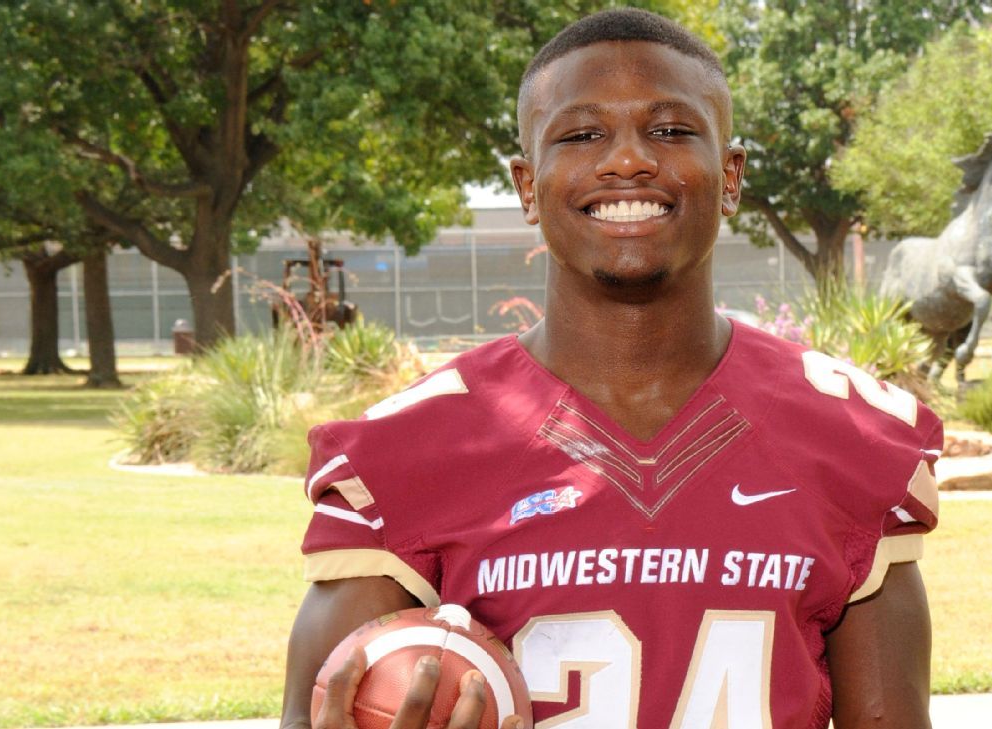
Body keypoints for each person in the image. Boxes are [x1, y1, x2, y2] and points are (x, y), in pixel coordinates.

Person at [281, 8, 940, 729]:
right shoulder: (405, 453)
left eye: (671, 130)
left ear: (731, 176)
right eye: (581, 135)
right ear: (527, 186)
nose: (627, 161)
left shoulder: (849, 435)